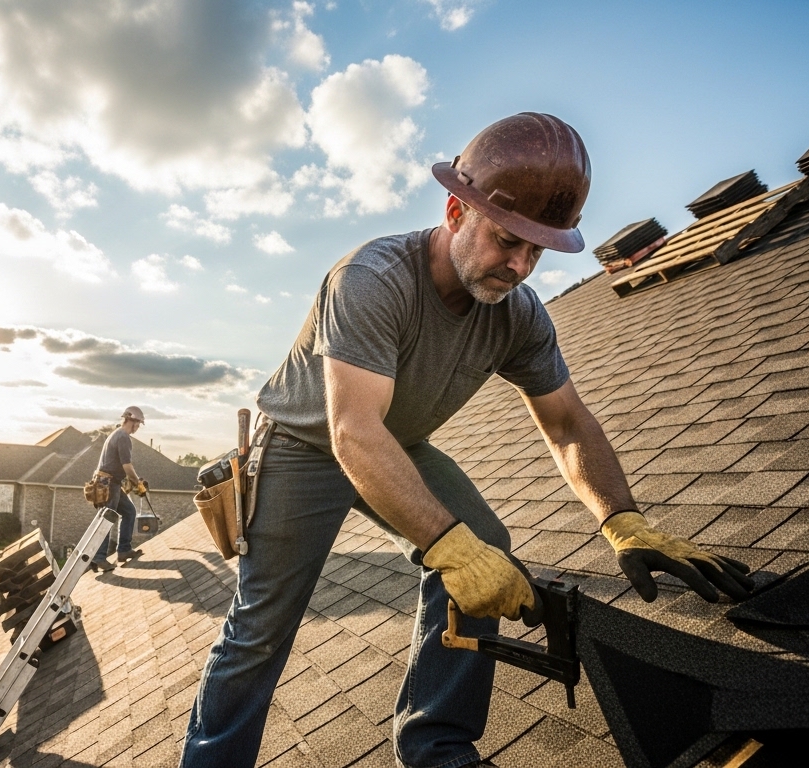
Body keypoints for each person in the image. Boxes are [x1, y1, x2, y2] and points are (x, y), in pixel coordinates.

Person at [178, 113, 756, 768]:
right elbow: (352, 432)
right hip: (306, 446)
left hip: (396, 442)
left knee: (486, 551)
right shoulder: (373, 279)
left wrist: (623, 521)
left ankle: (435, 744)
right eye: (507, 239)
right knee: (259, 634)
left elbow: (567, 422)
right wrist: (445, 545)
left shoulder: (518, 316)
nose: (518, 266)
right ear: (456, 209)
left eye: (536, 252)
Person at [90, 406, 148, 572]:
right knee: (107, 520)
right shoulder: (123, 437)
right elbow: (127, 467)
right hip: (108, 484)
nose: (138, 427)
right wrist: (138, 484)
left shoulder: (116, 434)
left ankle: (123, 551)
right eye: (138, 424)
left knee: (129, 511)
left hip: (110, 483)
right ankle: (99, 558)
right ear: (133, 421)